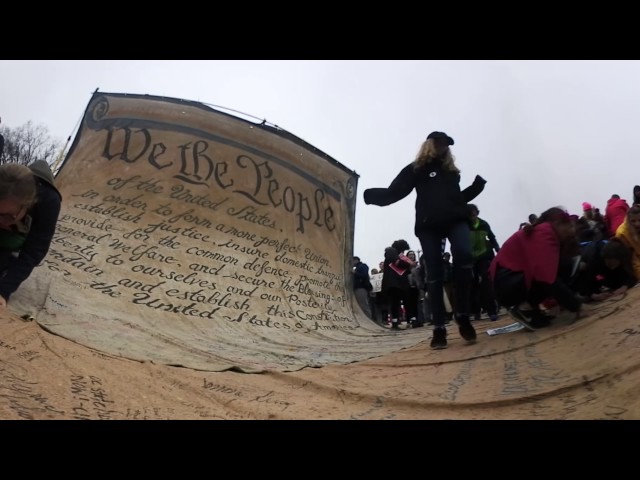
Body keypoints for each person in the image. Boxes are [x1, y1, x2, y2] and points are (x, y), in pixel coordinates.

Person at [364, 131, 486, 349]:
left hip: (455, 219)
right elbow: (395, 191)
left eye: (447, 145)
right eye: (439, 143)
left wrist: (475, 189)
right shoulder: (417, 169)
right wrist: (370, 196)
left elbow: (457, 199)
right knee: (434, 273)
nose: (443, 147)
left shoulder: (451, 172)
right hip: (428, 225)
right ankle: (439, 327)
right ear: (429, 144)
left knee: (464, 254)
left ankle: (463, 314)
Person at [488, 207, 586, 330]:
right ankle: (524, 307)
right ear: (557, 223)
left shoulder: (546, 234)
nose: (571, 231)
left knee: (565, 264)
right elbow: (546, 275)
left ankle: (530, 308)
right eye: (569, 227)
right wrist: (575, 305)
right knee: (561, 267)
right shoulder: (543, 235)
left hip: (508, 281)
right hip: (506, 284)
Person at [0, 161, 62, 307]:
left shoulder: (49, 202)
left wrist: (3, 290)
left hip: (18, 235)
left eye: (7, 215)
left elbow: (34, 251)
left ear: (27, 205)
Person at [467, 203, 500, 321]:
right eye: (470, 214)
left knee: (487, 282)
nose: (472, 216)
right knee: (473, 285)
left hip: (485, 256)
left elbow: (492, 237)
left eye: (474, 213)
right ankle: (476, 311)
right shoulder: (464, 226)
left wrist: (497, 248)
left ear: (477, 213)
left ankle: (492, 310)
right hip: (470, 259)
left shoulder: (484, 224)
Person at [380, 239, 416, 330]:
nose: (404, 252)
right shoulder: (391, 252)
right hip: (394, 283)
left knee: (405, 301)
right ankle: (396, 323)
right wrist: (409, 264)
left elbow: (405, 270)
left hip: (400, 282)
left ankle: (411, 320)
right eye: (403, 249)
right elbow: (398, 263)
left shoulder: (396, 255)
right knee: (396, 302)